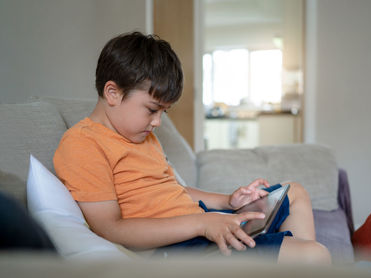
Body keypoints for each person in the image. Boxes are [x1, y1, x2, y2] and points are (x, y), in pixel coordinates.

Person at [53, 31, 331, 264]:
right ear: (112, 93)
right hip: (179, 246)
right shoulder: (83, 144)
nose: (158, 122)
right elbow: (111, 229)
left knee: (295, 193)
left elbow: (175, 190)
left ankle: (280, 260)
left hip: (200, 224)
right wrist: (203, 224)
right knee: (315, 256)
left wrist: (227, 201)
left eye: (164, 112)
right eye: (152, 109)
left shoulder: (142, 136)